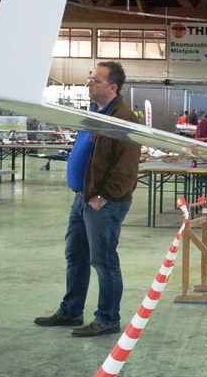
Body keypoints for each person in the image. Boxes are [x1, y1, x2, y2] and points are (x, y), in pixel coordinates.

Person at [34, 62, 140, 338]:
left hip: (104, 202)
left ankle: (107, 318)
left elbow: (127, 167)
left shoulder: (123, 119)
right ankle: (71, 310)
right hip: (82, 198)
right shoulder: (93, 112)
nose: (89, 83)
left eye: (95, 80)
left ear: (112, 87)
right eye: (90, 78)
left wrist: (103, 196)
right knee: (76, 256)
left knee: (104, 261)